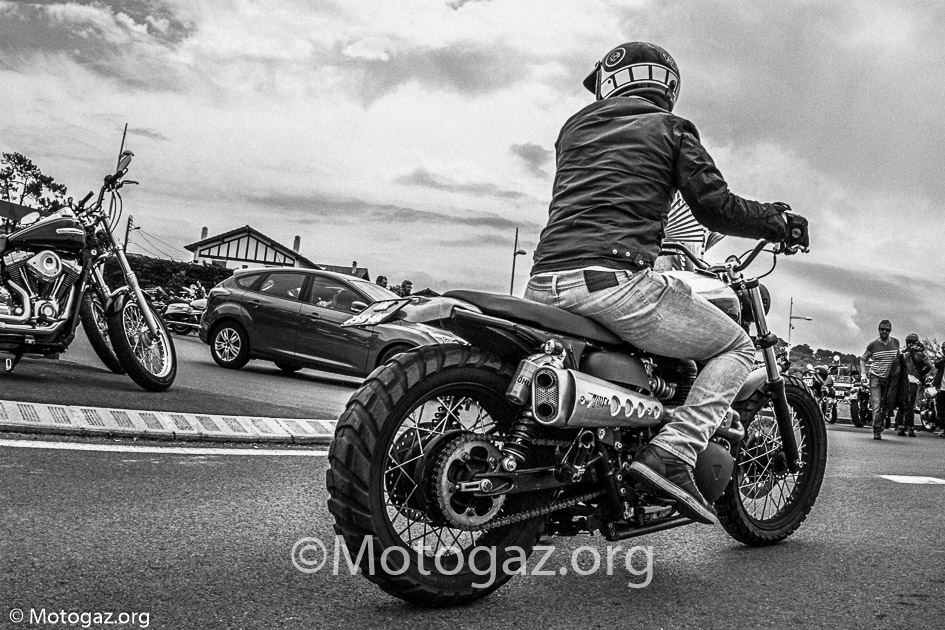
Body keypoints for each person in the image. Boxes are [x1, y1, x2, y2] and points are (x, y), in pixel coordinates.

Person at [523, 41, 809, 525]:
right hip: (612, 280)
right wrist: (776, 222)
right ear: (666, 85)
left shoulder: (573, 128)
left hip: (544, 281)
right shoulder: (672, 128)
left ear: (611, 83)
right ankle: (672, 452)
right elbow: (715, 207)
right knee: (737, 348)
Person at [860, 320, 900, 440]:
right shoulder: (873, 345)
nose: (884, 332)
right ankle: (876, 430)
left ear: (890, 331)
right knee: (876, 405)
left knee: (887, 405)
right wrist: (863, 374)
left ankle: (881, 420)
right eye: (882, 329)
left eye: (887, 330)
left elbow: (898, 359)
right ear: (879, 330)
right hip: (876, 377)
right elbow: (863, 359)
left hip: (890, 380)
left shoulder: (895, 342)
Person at [891, 334, 931, 437]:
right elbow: (929, 366)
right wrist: (921, 373)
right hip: (914, 381)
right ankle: (910, 428)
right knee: (910, 404)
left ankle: (900, 426)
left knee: (902, 402)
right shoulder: (921, 354)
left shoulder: (904, 353)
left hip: (903, 380)